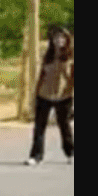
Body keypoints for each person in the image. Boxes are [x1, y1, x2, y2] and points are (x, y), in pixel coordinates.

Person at [26, 26, 74, 166]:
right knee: (39, 127)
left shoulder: (71, 57)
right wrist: (35, 95)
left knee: (64, 126)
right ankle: (36, 156)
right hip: (44, 95)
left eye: (62, 38)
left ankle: (70, 152)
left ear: (67, 40)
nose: (59, 40)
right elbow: (41, 76)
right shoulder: (47, 56)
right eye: (56, 37)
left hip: (64, 97)